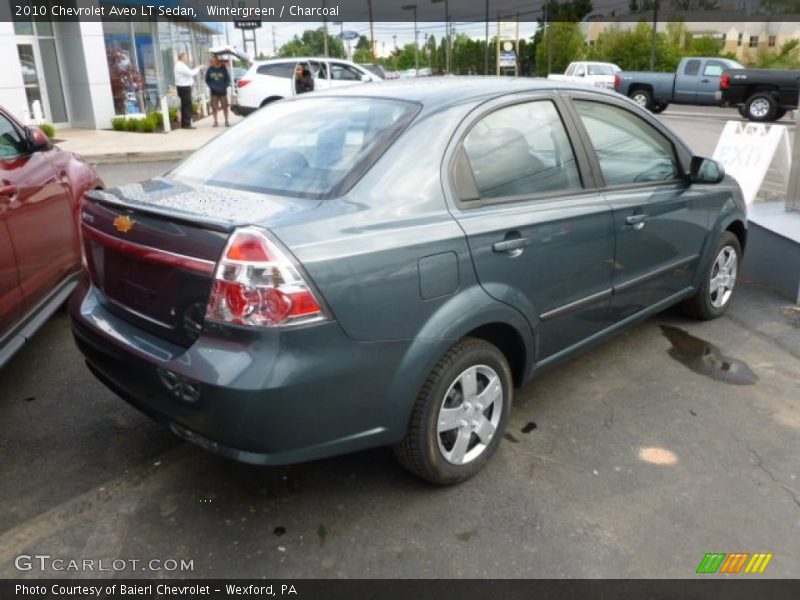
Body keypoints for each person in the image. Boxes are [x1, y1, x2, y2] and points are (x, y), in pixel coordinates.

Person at [174, 52, 201, 129]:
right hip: (184, 87)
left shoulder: (180, 65)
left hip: (183, 87)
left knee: (185, 105)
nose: (187, 58)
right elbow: (191, 73)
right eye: (186, 57)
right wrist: (198, 68)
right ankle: (187, 124)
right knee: (187, 106)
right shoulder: (180, 66)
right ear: (182, 57)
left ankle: (184, 123)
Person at [205, 54, 231, 127]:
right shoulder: (209, 69)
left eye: (212, 60)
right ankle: (215, 121)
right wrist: (212, 87)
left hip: (223, 91)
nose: (211, 62)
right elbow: (207, 80)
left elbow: (227, 79)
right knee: (214, 107)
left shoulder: (223, 68)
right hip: (214, 92)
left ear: (217, 60)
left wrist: (224, 86)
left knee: (225, 106)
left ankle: (226, 120)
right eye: (210, 61)